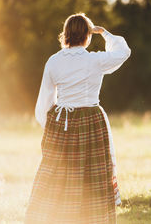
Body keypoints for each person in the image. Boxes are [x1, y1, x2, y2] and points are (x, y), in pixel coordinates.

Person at [25, 13, 131, 224]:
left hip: (61, 120)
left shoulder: (53, 61)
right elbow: (123, 51)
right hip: (91, 120)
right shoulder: (95, 59)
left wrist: (50, 126)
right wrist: (104, 33)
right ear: (87, 35)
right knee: (93, 176)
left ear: (65, 35)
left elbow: (44, 101)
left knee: (57, 172)